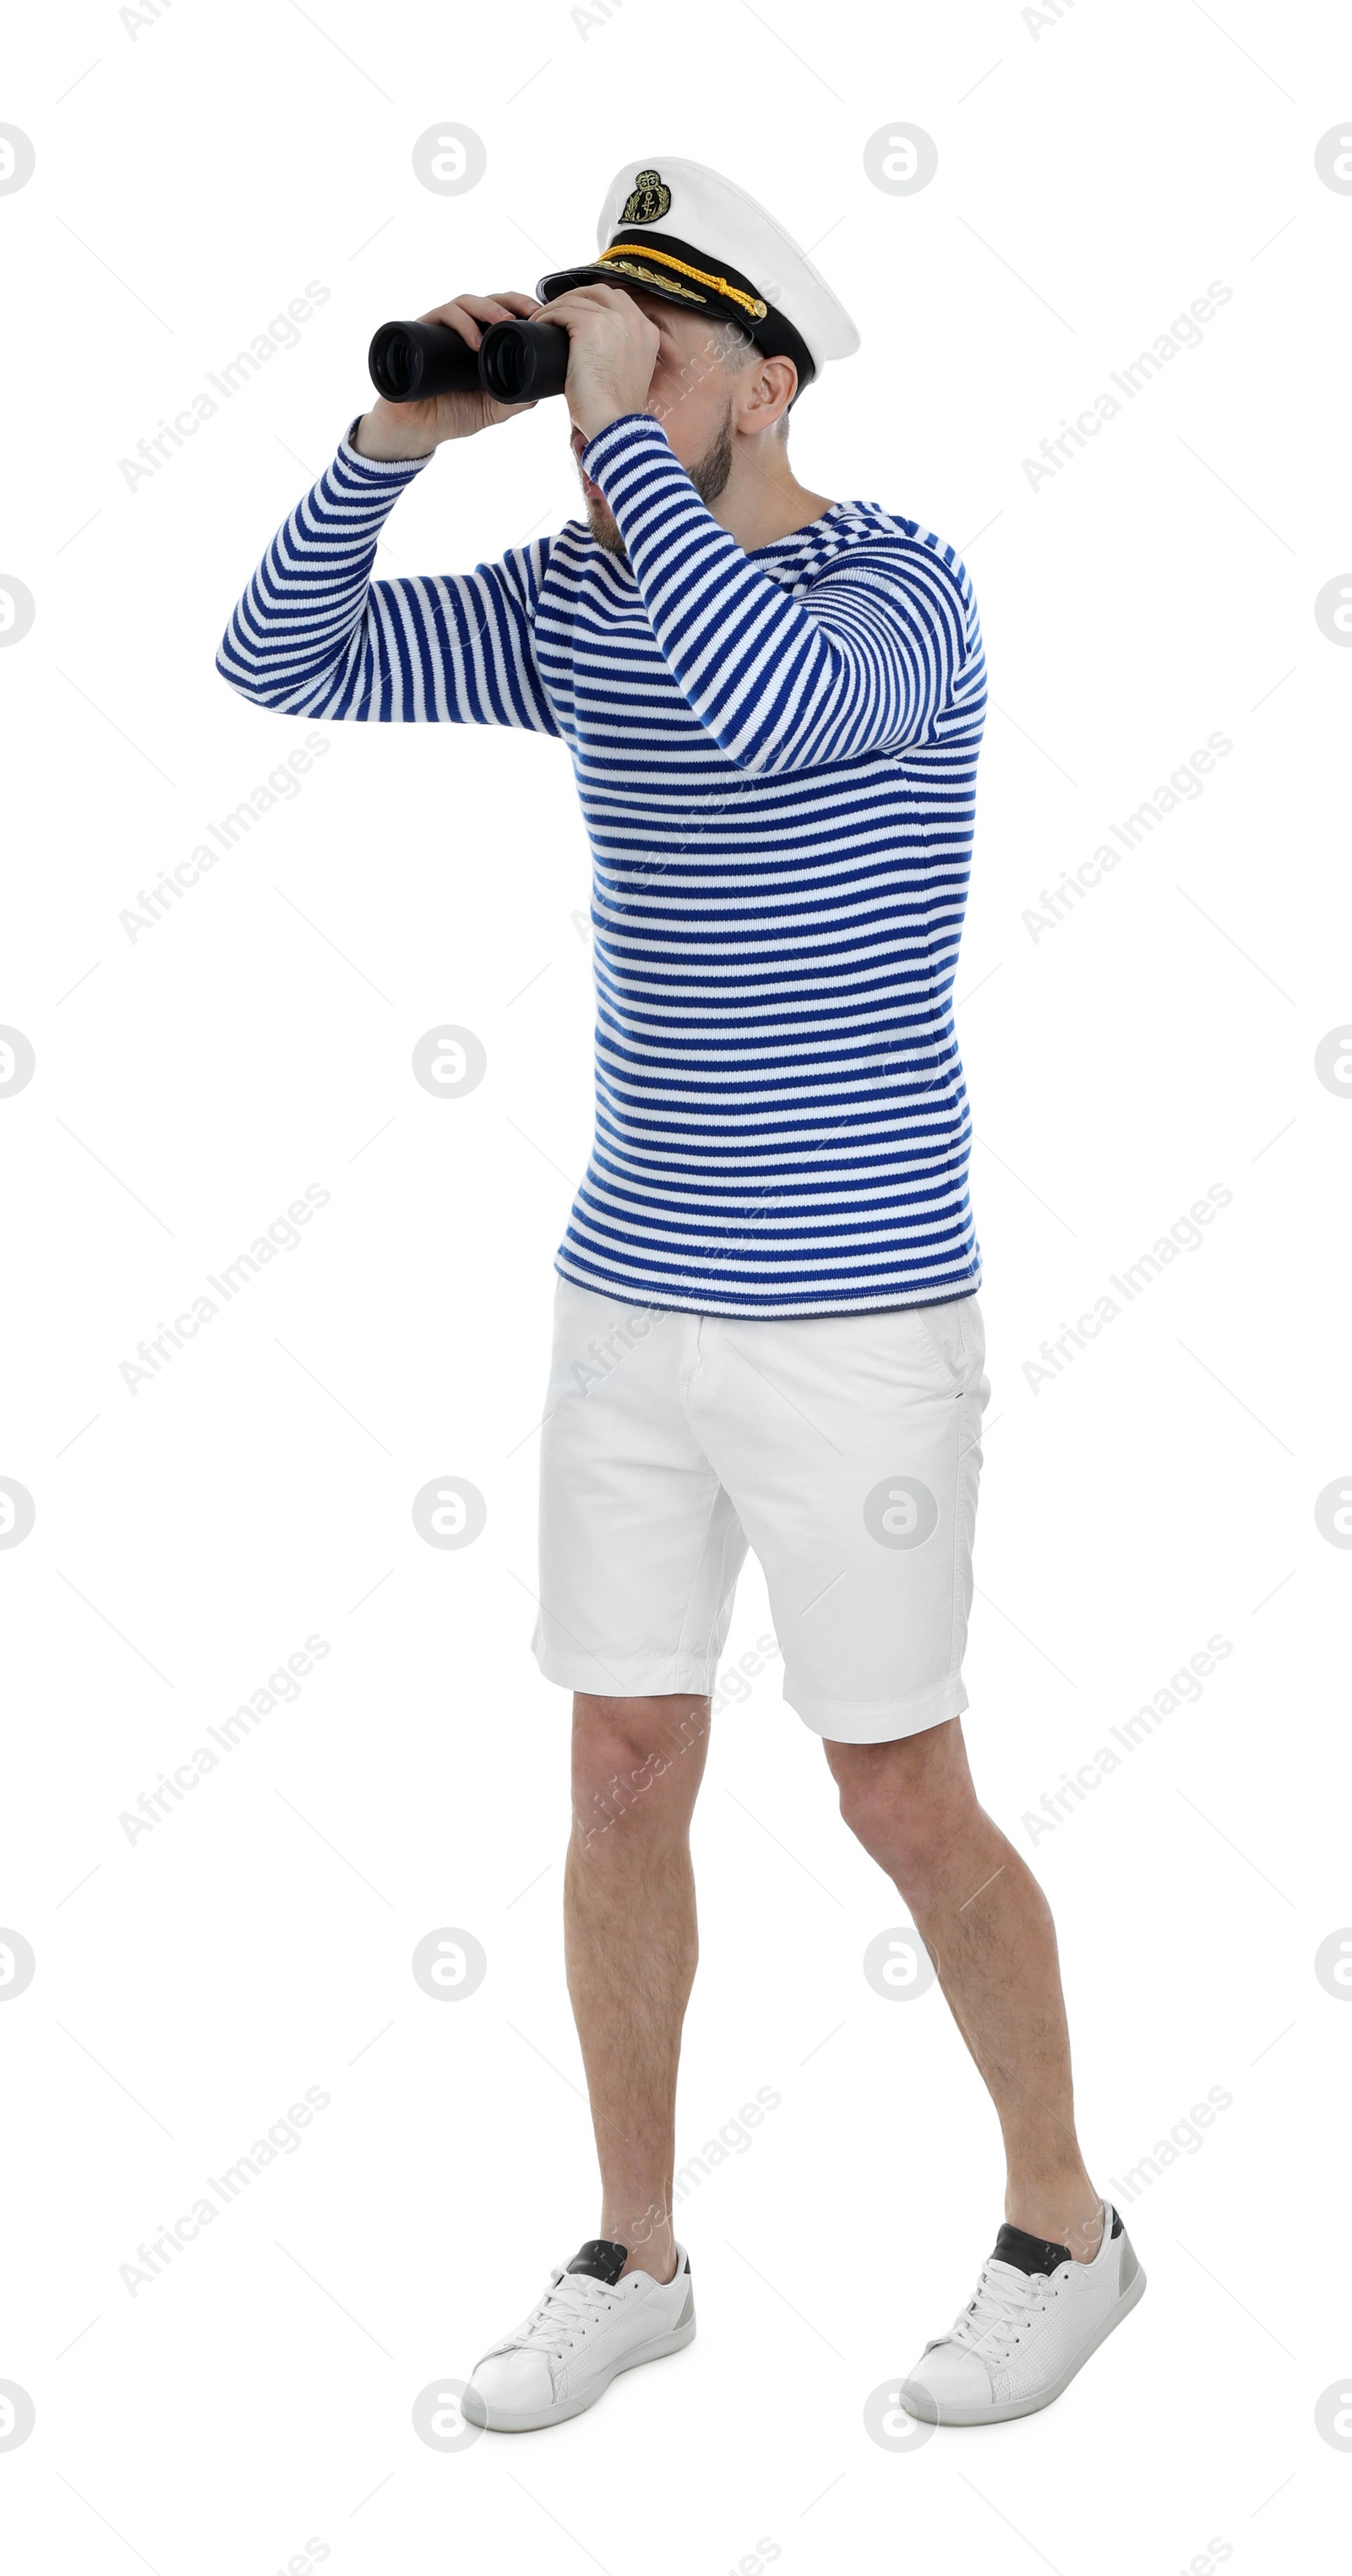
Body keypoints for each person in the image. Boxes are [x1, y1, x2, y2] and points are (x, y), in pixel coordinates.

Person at [218, 155, 1145, 2431]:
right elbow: (278, 656)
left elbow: (744, 716)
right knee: (622, 1769)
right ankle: (637, 2256)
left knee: (899, 1795)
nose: (606, 379)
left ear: (773, 375)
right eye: (586, 339)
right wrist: (396, 446)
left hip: (855, 1319)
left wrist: (622, 434)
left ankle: (1070, 2226)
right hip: (630, 1301)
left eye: (659, 340)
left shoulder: (893, 590)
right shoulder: (581, 590)